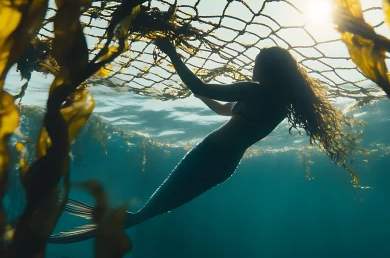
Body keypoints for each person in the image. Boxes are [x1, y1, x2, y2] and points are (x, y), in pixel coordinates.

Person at [49, 38, 357, 243]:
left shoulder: (255, 91)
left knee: (143, 214)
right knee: (146, 214)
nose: (253, 66)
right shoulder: (280, 102)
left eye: (257, 62)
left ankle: (61, 225)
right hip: (224, 165)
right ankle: (71, 225)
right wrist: (197, 93)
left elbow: (201, 84)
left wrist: (172, 54)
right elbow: (224, 109)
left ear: (266, 68)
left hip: (208, 156)